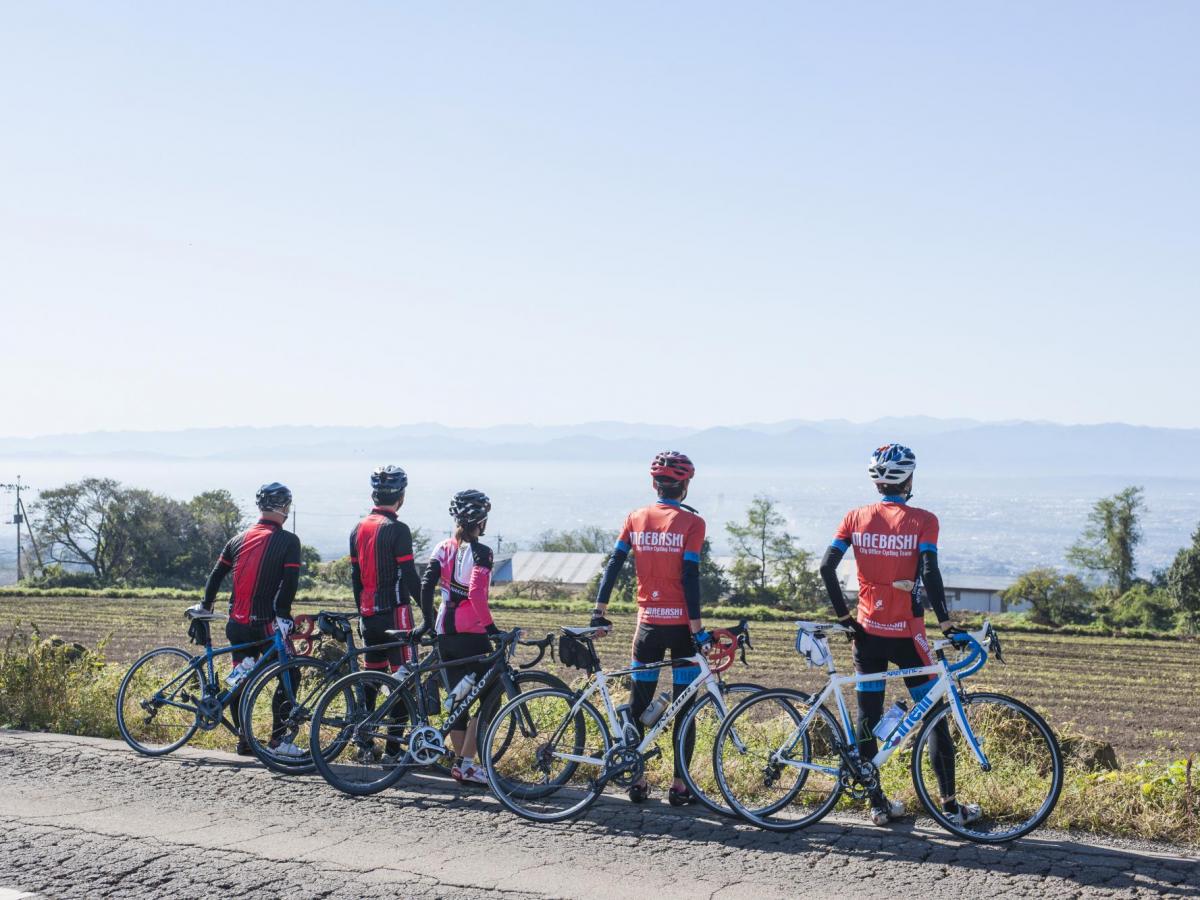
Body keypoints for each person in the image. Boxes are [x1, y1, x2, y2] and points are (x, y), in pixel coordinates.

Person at [818, 443, 980, 827]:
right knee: (935, 717)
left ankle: (876, 804)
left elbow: (826, 567)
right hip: (909, 636)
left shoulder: (855, 517)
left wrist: (845, 619)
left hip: (866, 632)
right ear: (909, 478)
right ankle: (950, 808)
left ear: (876, 482)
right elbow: (930, 572)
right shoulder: (924, 520)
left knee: (868, 716)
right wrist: (946, 623)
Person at [590, 450, 710, 806]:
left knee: (639, 702)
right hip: (681, 631)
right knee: (685, 708)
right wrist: (698, 629)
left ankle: (638, 780)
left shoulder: (636, 517)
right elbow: (690, 576)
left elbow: (614, 563)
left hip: (647, 627)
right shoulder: (693, 523)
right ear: (685, 486)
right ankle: (679, 785)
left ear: (654, 483)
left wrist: (600, 611)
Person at [199, 482, 302, 757]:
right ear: (284, 508)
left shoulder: (237, 539)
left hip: (237, 624)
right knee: (291, 674)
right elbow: (289, 584)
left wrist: (206, 605)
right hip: (266, 624)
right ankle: (278, 742)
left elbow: (215, 576)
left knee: (241, 681)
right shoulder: (289, 541)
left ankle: (244, 740)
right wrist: (283, 616)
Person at [421, 489, 499, 786]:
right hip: (472, 633)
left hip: (444, 631)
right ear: (481, 521)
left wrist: (426, 622)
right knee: (489, 696)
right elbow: (477, 593)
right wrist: (491, 629)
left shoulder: (442, 547)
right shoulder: (482, 552)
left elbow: (427, 585)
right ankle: (466, 763)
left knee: (458, 701)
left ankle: (459, 764)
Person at [350, 465, 432, 675]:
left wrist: (362, 612)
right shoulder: (398, 529)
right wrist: (429, 614)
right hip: (395, 613)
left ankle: (363, 709)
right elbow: (410, 576)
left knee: (373, 676)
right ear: (402, 497)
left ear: (373, 495)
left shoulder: (357, 529)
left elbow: (355, 577)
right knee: (403, 679)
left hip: (368, 616)